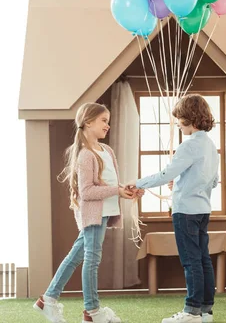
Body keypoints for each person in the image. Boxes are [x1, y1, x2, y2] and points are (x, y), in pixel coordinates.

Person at [33, 102, 141, 323]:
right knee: (92, 259)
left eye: (108, 121)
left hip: (104, 211)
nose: (107, 125)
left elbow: (110, 183)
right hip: (93, 213)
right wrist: (117, 191)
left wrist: (127, 190)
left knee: (76, 256)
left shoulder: (107, 150)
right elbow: (87, 191)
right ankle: (92, 311)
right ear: (88, 122)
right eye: (103, 120)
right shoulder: (85, 154)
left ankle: (48, 299)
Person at [128, 94, 219, 323]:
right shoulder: (210, 145)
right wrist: (180, 182)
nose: (178, 124)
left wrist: (137, 183)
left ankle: (191, 312)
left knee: (191, 261)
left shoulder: (188, 146)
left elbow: (165, 174)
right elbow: (213, 180)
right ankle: (206, 312)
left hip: (185, 211)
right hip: (203, 209)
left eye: (179, 119)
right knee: (203, 259)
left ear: (190, 118)